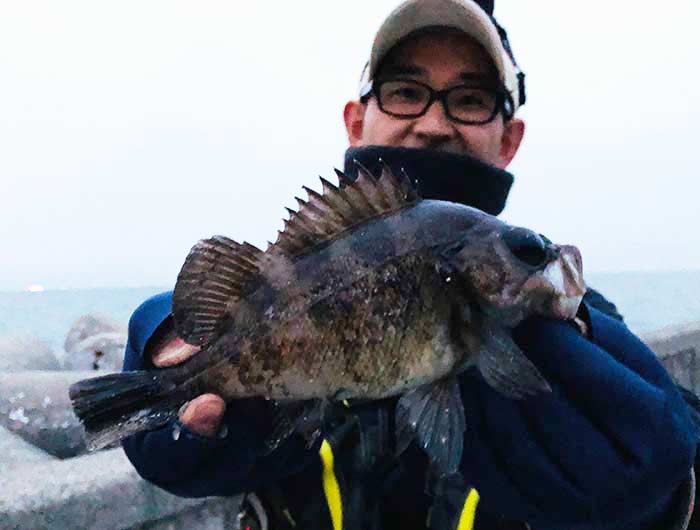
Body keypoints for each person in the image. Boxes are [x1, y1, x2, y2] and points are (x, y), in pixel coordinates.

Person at [121, 1, 700, 529]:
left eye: (470, 100)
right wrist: (163, 328)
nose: (433, 123)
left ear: (510, 139)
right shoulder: (297, 274)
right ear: (355, 121)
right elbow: (242, 318)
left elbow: (660, 436)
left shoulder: (575, 328)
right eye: (404, 92)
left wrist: (668, 503)